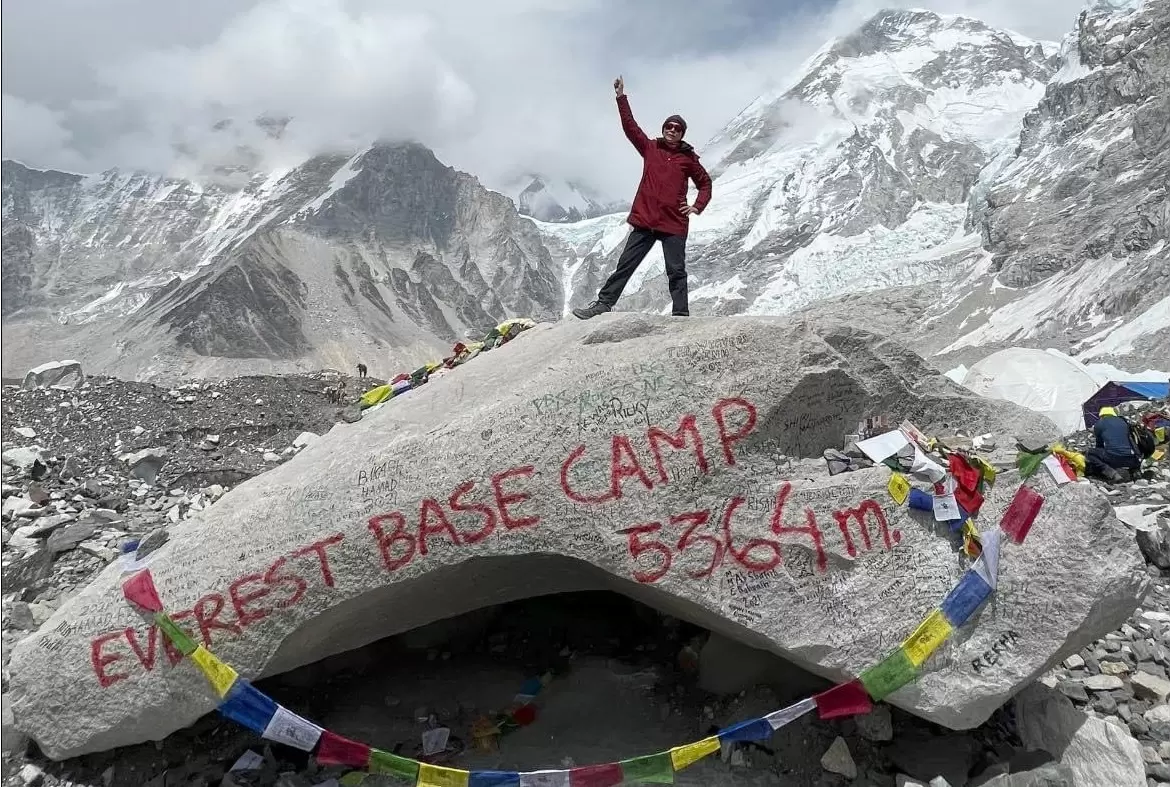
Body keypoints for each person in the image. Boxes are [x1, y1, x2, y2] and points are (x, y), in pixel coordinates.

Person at [573, 76, 712, 320]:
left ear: (682, 134)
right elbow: (630, 126)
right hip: (645, 220)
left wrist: (696, 207)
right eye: (669, 126)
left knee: (676, 271)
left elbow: (705, 184)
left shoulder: (689, 160)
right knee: (625, 266)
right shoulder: (651, 148)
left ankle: (681, 313)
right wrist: (620, 97)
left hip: (673, 224)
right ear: (663, 129)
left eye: (677, 128)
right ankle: (603, 304)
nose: (672, 130)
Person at [1086, 406, 1141, 482]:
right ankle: (1135, 471)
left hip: (1115, 458)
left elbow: (1099, 445)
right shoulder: (1123, 422)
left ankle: (1112, 473)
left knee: (1090, 453)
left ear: (1101, 415)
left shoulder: (1099, 424)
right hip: (1133, 458)